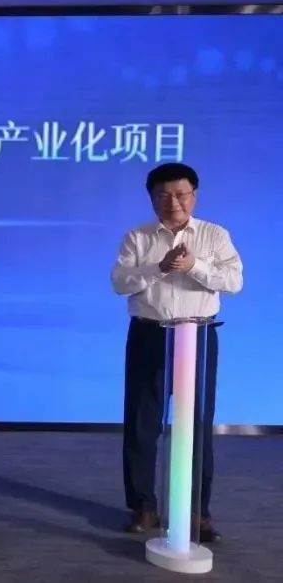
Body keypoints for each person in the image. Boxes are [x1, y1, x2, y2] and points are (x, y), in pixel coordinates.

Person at [111, 162, 241, 542]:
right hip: (149, 334)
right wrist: (160, 268)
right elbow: (120, 282)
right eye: (164, 195)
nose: (174, 202)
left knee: (196, 425)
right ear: (152, 198)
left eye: (182, 194)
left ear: (194, 195)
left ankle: (197, 511)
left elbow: (234, 281)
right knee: (141, 423)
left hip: (197, 335)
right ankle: (143, 506)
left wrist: (194, 265)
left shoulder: (214, 235)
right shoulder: (137, 237)